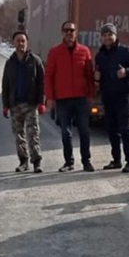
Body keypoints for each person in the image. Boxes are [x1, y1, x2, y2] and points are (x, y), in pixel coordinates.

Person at [45, 20, 96, 172]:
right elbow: (49, 76)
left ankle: (86, 161)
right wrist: (50, 97)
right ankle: (69, 162)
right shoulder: (54, 52)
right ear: (62, 33)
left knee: (84, 131)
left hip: (80, 98)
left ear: (76, 33)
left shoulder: (84, 51)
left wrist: (91, 94)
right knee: (65, 133)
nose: (69, 33)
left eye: (71, 31)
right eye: (66, 30)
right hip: (63, 98)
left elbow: (89, 75)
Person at [95, 23, 129, 173]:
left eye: (110, 34)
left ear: (115, 35)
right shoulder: (100, 55)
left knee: (125, 129)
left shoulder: (125, 51)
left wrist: (126, 72)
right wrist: (96, 77)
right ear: (101, 38)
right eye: (104, 35)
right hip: (107, 96)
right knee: (112, 130)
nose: (107, 37)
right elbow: (97, 73)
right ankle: (116, 160)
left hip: (122, 96)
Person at [1, 31, 46, 173]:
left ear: (27, 42)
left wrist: (42, 102)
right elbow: (5, 85)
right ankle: (23, 162)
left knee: (33, 133)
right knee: (18, 135)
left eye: (23, 41)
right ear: (14, 43)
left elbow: (42, 83)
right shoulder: (10, 63)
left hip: (31, 104)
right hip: (15, 104)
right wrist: (5, 105)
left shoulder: (35, 61)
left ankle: (36, 162)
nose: (20, 43)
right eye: (18, 41)